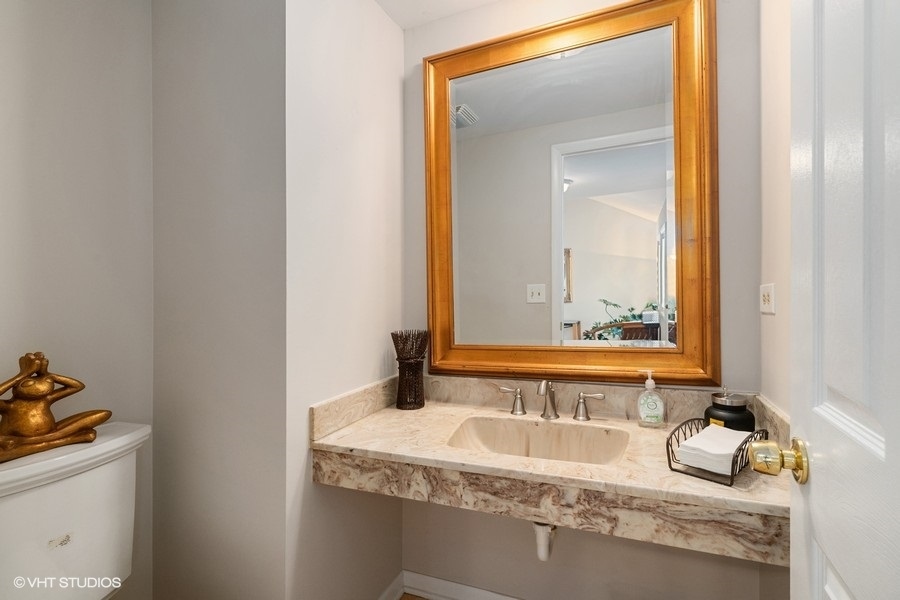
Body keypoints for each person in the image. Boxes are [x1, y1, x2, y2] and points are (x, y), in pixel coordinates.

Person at [0, 352, 110, 463]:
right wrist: (22, 375)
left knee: (100, 415)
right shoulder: (10, 405)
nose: (41, 386)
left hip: (48, 434)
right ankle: (68, 439)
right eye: (29, 383)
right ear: (15, 388)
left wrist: (48, 374)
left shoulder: (46, 399)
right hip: (20, 439)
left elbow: (77, 386)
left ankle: (41, 442)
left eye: (47, 381)